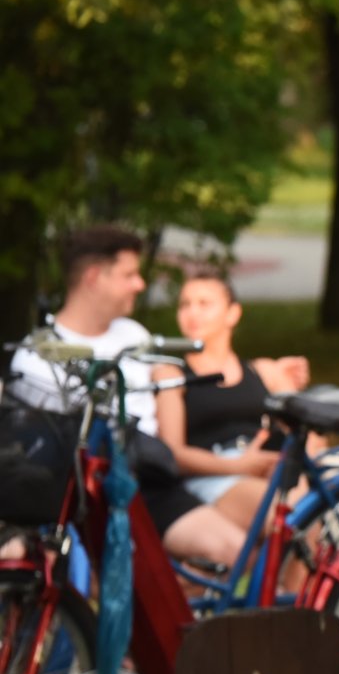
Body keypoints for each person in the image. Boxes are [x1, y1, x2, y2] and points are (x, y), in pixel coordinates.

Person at [7, 226, 245, 566]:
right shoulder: (40, 353)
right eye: (129, 274)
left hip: (149, 482)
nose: (140, 284)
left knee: (235, 550)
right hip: (84, 495)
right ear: (94, 277)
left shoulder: (133, 335)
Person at [165, 273, 312, 531]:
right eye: (185, 304)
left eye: (204, 303)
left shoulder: (263, 371)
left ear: (233, 313)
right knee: (295, 517)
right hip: (212, 475)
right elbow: (173, 453)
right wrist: (238, 465)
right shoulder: (171, 374)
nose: (192, 313)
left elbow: (307, 427)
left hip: (268, 466)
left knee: (311, 509)